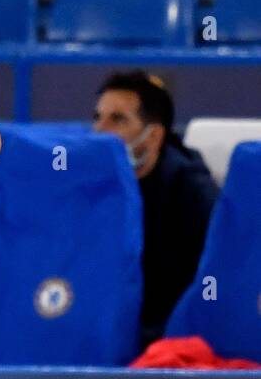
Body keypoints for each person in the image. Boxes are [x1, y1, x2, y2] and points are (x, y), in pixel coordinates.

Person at [91, 71, 218, 347]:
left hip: (167, 339)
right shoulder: (88, 182)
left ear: (154, 136)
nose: (100, 130)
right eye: (97, 117)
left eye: (118, 120)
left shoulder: (193, 192)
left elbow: (205, 286)